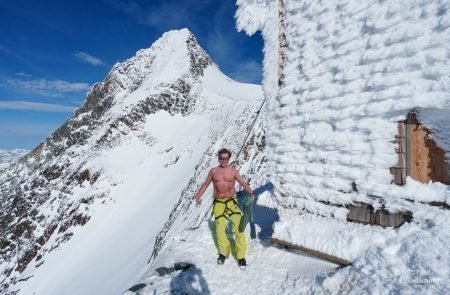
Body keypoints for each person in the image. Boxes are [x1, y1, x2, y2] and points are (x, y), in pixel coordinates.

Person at [194, 148, 254, 268]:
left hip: (232, 201)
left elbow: (242, 182)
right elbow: (206, 184)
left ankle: (240, 256)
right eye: (221, 158)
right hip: (219, 203)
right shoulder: (213, 171)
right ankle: (223, 253)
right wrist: (198, 197)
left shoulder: (233, 171)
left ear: (229, 158)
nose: (223, 160)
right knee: (220, 228)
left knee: (239, 228)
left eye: (226, 158)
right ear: (218, 158)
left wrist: (251, 193)